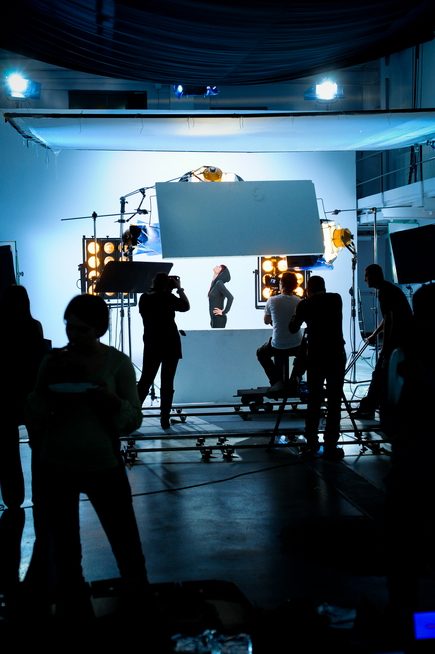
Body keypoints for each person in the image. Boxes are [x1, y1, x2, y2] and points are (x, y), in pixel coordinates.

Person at [25, 293, 150, 620]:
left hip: (102, 462)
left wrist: (111, 402)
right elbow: (34, 411)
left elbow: (133, 419)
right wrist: (47, 389)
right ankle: (74, 610)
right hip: (57, 463)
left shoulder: (117, 363)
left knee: (125, 541)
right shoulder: (53, 362)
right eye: (69, 327)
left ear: (98, 329)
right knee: (65, 549)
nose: (73, 335)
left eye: (81, 329)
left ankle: (138, 606)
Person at [382, 282, 435, 626]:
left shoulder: (405, 351)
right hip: (417, 454)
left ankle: (411, 623)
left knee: (405, 545)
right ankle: (423, 626)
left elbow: (392, 408)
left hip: (410, 457)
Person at [0, 284, 47, 510]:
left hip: (5, 395)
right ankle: (41, 493)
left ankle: (13, 498)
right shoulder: (34, 326)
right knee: (38, 446)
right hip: (30, 394)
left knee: (7, 450)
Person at [289, 275, 346, 460]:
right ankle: (331, 445)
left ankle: (312, 443)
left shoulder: (305, 304)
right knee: (335, 401)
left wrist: (297, 310)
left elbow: (293, 328)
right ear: (324, 287)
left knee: (314, 400)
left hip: (316, 356)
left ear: (308, 289)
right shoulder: (336, 299)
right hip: (336, 354)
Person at [354, 263, 413, 421]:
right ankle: (374, 405)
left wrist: (386, 348)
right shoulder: (388, 289)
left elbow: (390, 320)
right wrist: (375, 334)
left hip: (399, 338)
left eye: (366, 276)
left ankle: (368, 408)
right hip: (403, 337)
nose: (365, 279)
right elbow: (388, 318)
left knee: (379, 373)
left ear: (374, 276)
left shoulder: (384, 292)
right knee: (383, 374)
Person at [137, 272, 190, 429]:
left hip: (152, 343)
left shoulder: (144, 298)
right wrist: (179, 289)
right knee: (167, 382)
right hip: (170, 343)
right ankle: (164, 419)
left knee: (145, 380)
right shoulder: (168, 298)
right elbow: (185, 306)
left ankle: (132, 414)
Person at [256, 271, 304, 393]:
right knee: (306, 353)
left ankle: (277, 381)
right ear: (295, 285)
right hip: (296, 345)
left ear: (281, 284)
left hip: (278, 345)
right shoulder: (299, 301)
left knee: (261, 353)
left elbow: (266, 321)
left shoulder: (272, 300)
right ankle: (295, 378)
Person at [208, 264, 233, 328]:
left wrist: (224, 312)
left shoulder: (219, 283)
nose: (217, 266)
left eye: (219, 267)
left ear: (222, 273)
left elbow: (230, 297)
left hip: (219, 319)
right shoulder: (215, 284)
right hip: (214, 319)